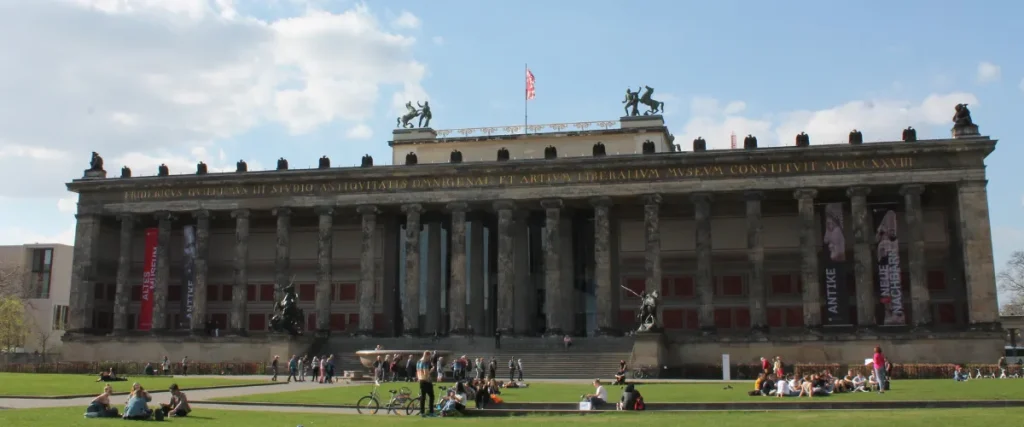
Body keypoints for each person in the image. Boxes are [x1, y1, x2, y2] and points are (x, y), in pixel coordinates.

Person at [417, 350, 436, 417]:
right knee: (431, 396)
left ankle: (422, 412)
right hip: (426, 381)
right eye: (429, 356)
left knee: (423, 397)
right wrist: (431, 370)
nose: (429, 358)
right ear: (427, 355)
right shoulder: (425, 363)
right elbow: (426, 373)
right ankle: (431, 412)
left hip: (421, 380)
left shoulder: (418, 362)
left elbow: (418, 372)